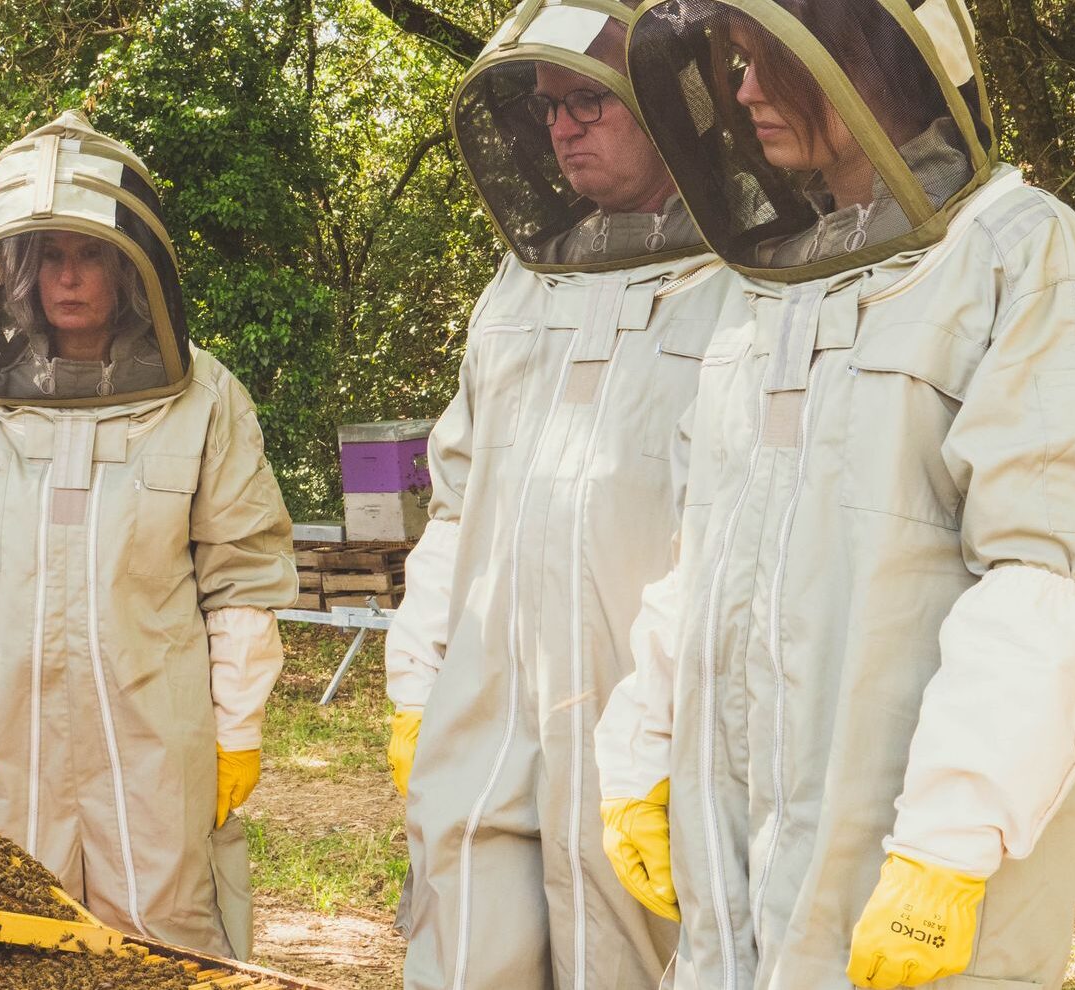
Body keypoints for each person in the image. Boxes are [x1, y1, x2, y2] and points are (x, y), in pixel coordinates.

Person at [597, 0, 1075, 987]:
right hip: (738, 875)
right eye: (734, 63)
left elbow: (1042, 574)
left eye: (768, 61)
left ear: (870, 59)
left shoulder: (1022, 255)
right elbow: (712, 554)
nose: (739, 92)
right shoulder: (767, 278)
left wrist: (945, 848)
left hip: (908, 871)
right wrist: (639, 744)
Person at [380, 2, 736, 987]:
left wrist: (660, 724)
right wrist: (419, 677)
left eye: (590, 100)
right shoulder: (522, 280)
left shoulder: (748, 280)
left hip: (646, 713)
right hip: (490, 713)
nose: (562, 127)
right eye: (548, 106)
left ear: (672, 103)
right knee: (464, 951)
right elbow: (462, 494)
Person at [0, 110, 296, 961]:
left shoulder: (205, 398)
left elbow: (242, 581)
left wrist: (237, 732)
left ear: (128, 269)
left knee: (165, 946)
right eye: (49, 259)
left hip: (154, 739)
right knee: (9, 939)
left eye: (87, 256)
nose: (68, 279)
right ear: (19, 274)